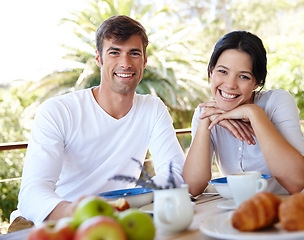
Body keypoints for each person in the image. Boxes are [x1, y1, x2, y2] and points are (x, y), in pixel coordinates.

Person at [12, 15, 185, 225]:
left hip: (121, 220)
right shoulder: (59, 111)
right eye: (114, 52)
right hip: (57, 222)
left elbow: (174, 171)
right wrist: (81, 212)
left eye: (134, 53)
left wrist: (131, 200)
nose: (125, 63)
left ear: (144, 60)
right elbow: (32, 191)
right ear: (98, 58)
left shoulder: (153, 108)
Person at [183, 31, 304, 196]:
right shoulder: (205, 113)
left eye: (243, 76)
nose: (230, 84)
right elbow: (192, 187)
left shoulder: (277, 101)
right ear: (211, 72)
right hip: (240, 211)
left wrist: (254, 113)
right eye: (222, 71)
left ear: (257, 82)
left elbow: (295, 183)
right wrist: (205, 121)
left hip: (289, 210)